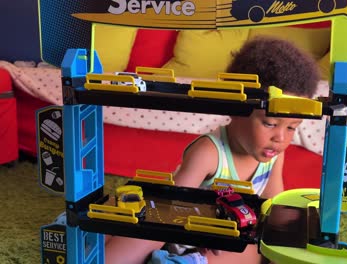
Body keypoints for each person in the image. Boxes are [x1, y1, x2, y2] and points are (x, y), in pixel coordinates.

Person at [105, 36, 320, 264]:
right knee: (136, 239)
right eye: (270, 124)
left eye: (292, 128)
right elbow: (170, 209)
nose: (281, 138)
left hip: (221, 240)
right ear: (237, 108)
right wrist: (205, 231)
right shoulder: (209, 152)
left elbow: (272, 204)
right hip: (178, 231)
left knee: (264, 249)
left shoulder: (274, 155)